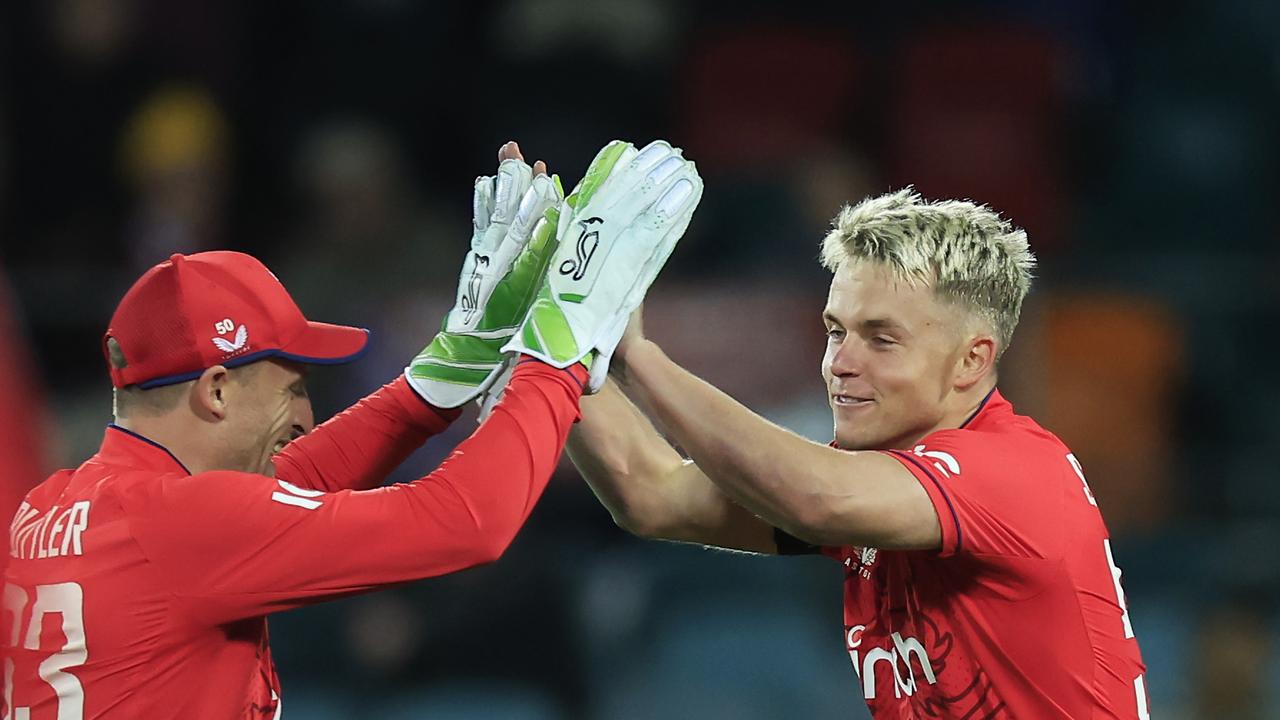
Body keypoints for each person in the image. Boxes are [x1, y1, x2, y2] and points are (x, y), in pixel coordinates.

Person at [1, 139, 702, 719]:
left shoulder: (59, 505)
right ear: (216, 390)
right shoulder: (180, 523)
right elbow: (466, 522)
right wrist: (556, 349)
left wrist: (442, 376)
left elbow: (283, 485)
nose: (304, 416)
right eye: (294, 390)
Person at [565, 188, 1149, 718]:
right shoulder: (881, 484)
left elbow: (815, 497)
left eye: (881, 339)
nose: (841, 363)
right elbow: (652, 493)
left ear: (972, 359)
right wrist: (549, 345)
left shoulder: (1016, 471)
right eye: (835, 331)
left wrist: (636, 358)